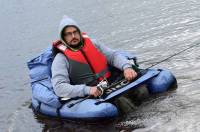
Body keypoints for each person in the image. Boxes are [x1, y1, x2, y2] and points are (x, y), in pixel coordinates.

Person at [51, 16, 137, 99]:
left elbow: (113, 56)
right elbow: (59, 87)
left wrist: (127, 67)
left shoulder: (94, 44)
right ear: (63, 37)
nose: (73, 36)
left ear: (79, 32)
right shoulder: (61, 58)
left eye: (75, 32)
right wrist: (87, 90)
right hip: (90, 92)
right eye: (69, 34)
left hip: (110, 81)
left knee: (141, 90)